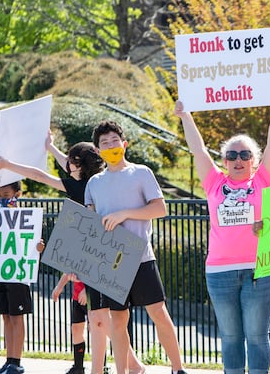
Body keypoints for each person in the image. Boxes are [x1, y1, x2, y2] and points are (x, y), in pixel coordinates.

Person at [0, 137, 146, 374]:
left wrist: (7, 164)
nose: (67, 166)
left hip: (97, 251)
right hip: (104, 248)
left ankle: (123, 366)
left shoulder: (81, 186)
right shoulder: (93, 181)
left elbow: (40, 176)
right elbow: (66, 162)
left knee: (103, 317)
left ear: (80, 166)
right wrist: (50, 147)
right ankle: (132, 365)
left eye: (72, 162)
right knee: (104, 317)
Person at [173, 91, 270, 374]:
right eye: (232, 155)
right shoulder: (213, 182)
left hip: (260, 270)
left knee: (258, 338)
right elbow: (198, 150)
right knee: (231, 338)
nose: (238, 160)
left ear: (253, 159)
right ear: (224, 160)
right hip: (220, 273)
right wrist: (185, 116)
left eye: (245, 154)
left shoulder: (264, 180)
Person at [84, 120, 186, 374]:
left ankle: (178, 369)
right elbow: (90, 226)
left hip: (141, 257)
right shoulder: (94, 184)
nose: (111, 146)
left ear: (125, 144)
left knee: (158, 312)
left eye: (114, 141)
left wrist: (124, 214)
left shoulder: (141, 173)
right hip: (110, 263)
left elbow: (160, 208)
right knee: (117, 320)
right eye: (104, 143)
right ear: (98, 151)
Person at [0, 181, 45, 374]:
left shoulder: (26, 219)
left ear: (18, 194)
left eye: (6, 194)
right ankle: (9, 361)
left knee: (17, 317)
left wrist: (38, 248)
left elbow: (32, 244)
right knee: (6, 317)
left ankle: (16, 362)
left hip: (18, 274)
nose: (3, 199)